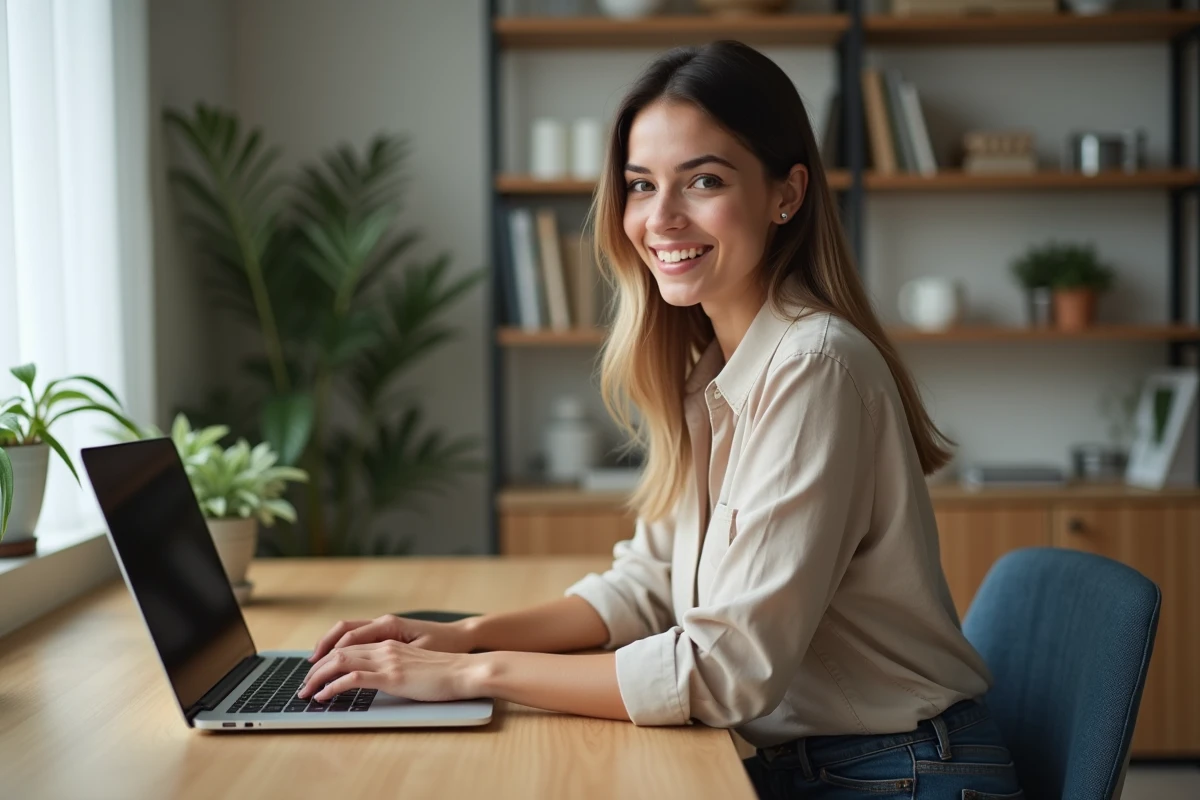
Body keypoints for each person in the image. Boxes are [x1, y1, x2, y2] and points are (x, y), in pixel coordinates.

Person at [298, 40, 1022, 799]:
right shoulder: (711, 365)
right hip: (819, 763)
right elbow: (647, 586)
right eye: (641, 186)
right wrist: (461, 634)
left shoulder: (814, 367)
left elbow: (723, 673)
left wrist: (468, 676)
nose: (661, 219)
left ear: (787, 193)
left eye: (704, 180)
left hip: (898, 774)